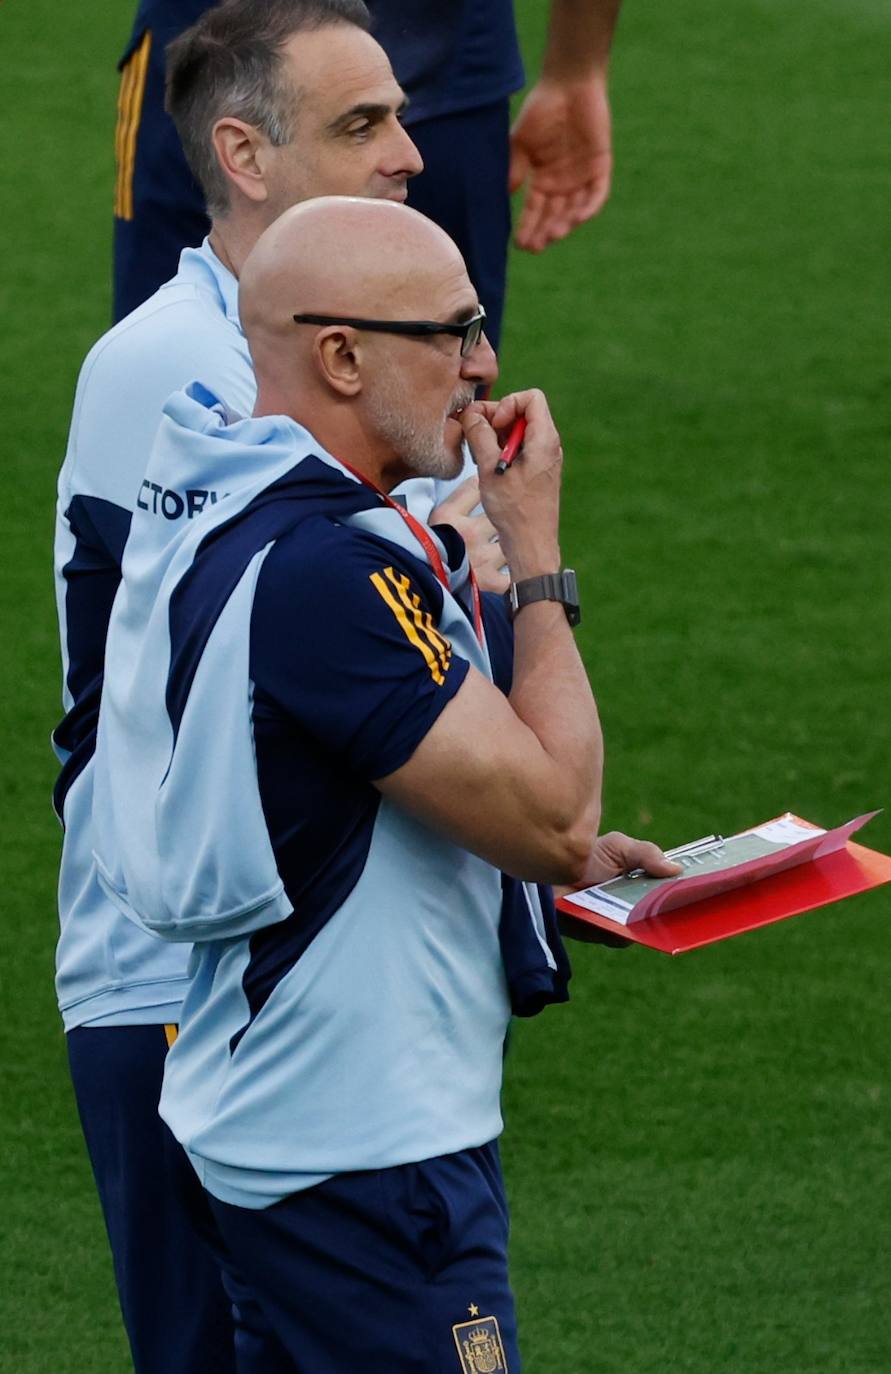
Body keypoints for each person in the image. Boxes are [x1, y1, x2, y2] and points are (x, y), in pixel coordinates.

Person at [91, 194, 680, 1373]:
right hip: (366, 1154)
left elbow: (332, 792)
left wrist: (538, 878)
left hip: (279, 1119)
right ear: (343, 355)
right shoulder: (329, 573)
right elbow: (557, 817)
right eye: (451, 332)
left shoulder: (228, 493)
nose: (484, 363)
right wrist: (535, 555)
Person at [53, 3, 500, 1370]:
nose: (410, 154)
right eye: (362, 123)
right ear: (242, 155)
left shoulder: (365, 342)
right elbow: (350, 646)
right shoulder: (191, 374)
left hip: (330, 989)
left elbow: (425, 659)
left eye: (403, 115)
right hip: (197, 991)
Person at [112, 0, 624, 343]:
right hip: (437, 64)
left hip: (219, 57)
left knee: (440, 402)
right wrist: (574, 68)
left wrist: (574, 72)